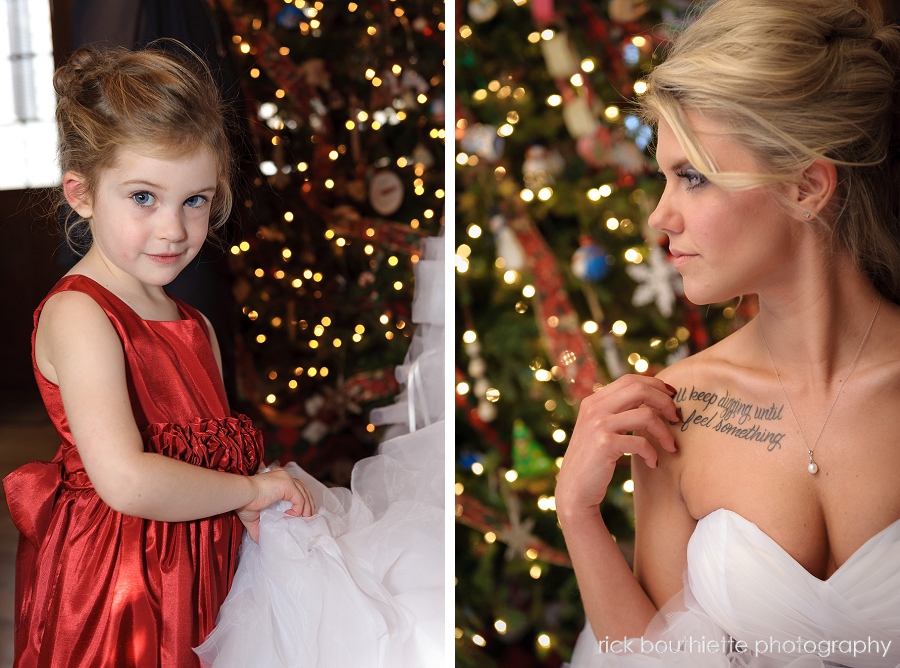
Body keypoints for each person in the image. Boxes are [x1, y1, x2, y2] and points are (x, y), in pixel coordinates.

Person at [556, 0, 900, 665]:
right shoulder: (675, 408)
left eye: (692, 179)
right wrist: (578, 514)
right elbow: (654, 657)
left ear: (806, 187)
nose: (660, 217)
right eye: (665, 178)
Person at [3, 45, 314, 667]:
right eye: (144, 197)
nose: (174, 228)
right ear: (82, 193)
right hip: (126, 584)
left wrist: (251, 502)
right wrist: (249, 489)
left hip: (208, 564)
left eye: (195, 200)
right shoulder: (81, 315)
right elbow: (125, 480)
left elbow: (218, 453)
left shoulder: (194, 323)